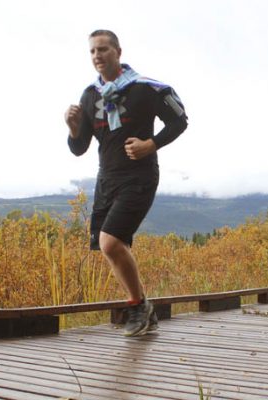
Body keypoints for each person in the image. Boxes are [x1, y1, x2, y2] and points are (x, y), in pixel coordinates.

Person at [64, 30, 188, 336]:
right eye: (92, 51)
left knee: (110, 241)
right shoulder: (90, 95)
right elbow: (79, 148)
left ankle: (138, 308)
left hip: (140, 175)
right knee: (111, 248)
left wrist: (152, 144)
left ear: (118, 51)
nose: (97, 56)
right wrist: (72, 128)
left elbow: (180, 119)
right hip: (106, 179)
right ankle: (144, 310)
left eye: (103, 49)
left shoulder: (145, 88)